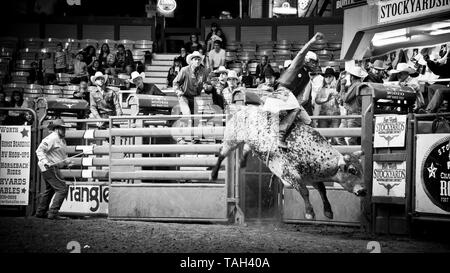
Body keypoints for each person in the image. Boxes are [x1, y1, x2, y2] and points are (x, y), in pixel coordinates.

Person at [263, 32, 324, 149]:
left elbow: (300, 97)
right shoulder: (297, 64)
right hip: (282, 91)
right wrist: (312, 41)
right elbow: (302, 52)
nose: (315, 65)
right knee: (295, 108)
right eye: (313, 62)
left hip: (290, 97)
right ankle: (280, 137)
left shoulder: (307, 77)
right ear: (306, 60)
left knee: (308, 121)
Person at [35, 119, 74, 220]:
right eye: (63, 129)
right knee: (62, 189)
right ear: (57, 129)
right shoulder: (52, 138)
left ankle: (41, 211)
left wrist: (66, 162)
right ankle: (53, 213)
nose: (64, 131)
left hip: (49, 167)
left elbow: (61, 156)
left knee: (51, 189)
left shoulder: (61, 140)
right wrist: (45, 162)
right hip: (50, 167)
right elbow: (39, 150)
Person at [173, 51, 211, 144]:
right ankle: (180, 137)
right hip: (184, 95)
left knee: (196, 117)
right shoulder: (184, 70)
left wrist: (207, 87)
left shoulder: (204, 71)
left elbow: (208, 84)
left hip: (196, 96)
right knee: (186, 115)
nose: (197, 61)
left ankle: (195, 137)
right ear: (191, 61)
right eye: (195, 59)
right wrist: (178, 91)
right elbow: (175, 82)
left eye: (198, 59)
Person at [340, 66, 367, 145]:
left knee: (350, 139)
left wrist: (342, 85)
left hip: (353, 116)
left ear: (351, 77)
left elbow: (345, 99)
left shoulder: (356, 85)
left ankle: (351, 155)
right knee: (344, 138)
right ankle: (349, 155)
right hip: (351, 115)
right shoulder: (354, 86)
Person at [315, 67, 341, 145]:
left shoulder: (337, 88)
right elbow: (317, 100)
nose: (328, 78)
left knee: (336, 137)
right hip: (324, 114)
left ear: (333, 77)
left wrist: (338, 98)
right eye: (326, 76)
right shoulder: (321, 88)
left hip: (335, 114)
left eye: (330, 76)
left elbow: (342, 101)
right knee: (323, 136)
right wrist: (326, 99)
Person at [423, 44, 450, 113]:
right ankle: (434, 110)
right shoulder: (448, 65)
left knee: (440, 91)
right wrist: (429, 61)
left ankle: (429, 112)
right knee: (431, 87)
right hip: (447, 86)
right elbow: (438, 70)